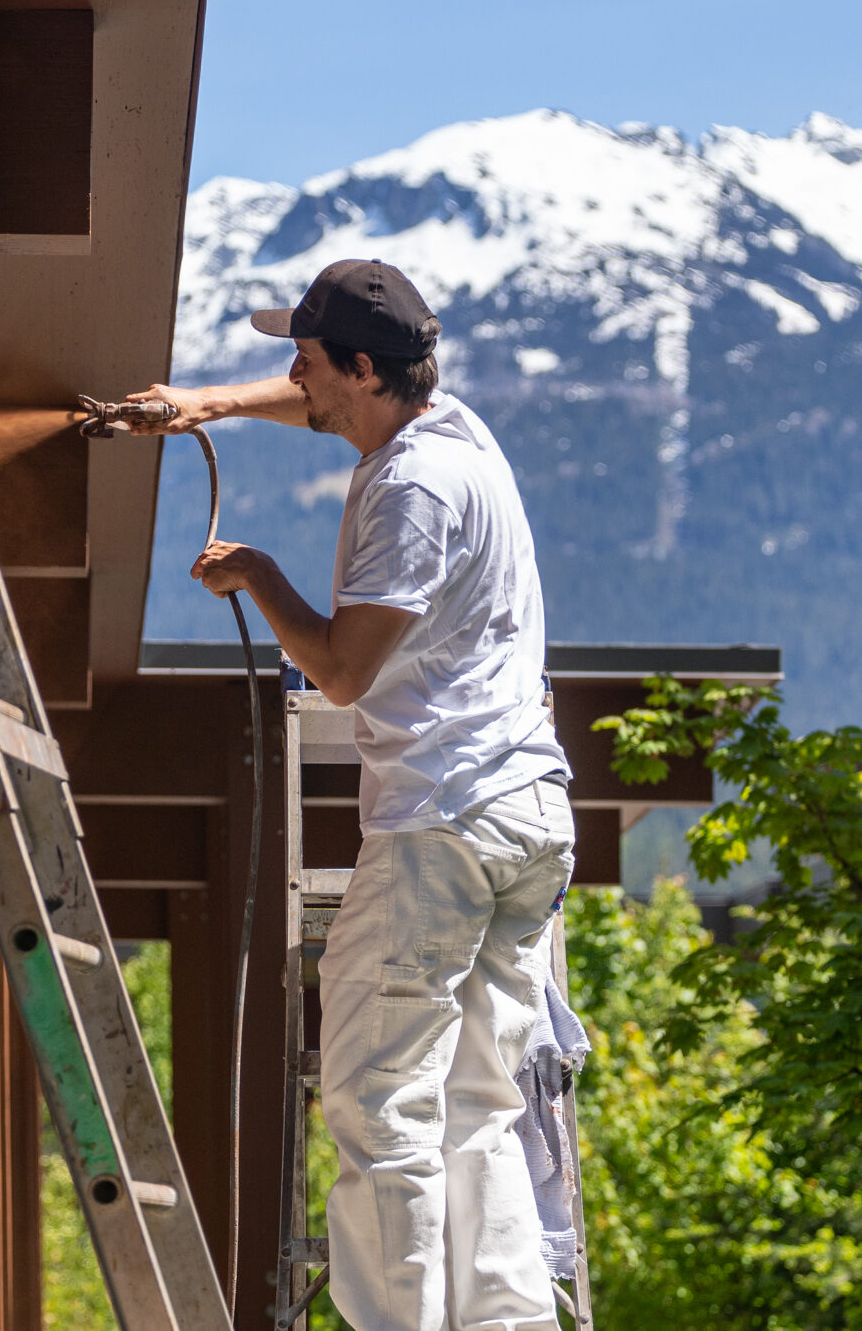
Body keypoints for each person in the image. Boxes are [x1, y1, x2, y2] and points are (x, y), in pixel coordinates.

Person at [128, 259, 574, 1331]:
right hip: (522, 817)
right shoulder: (454, 432)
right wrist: (209, 402)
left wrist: (260, 575)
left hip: (443, 827)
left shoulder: (411, 489)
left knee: (380, 1106)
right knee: (477, 1104)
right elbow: (309, 395)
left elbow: (340, 670)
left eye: (309, 362)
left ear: (364, 369)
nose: (296, 379)